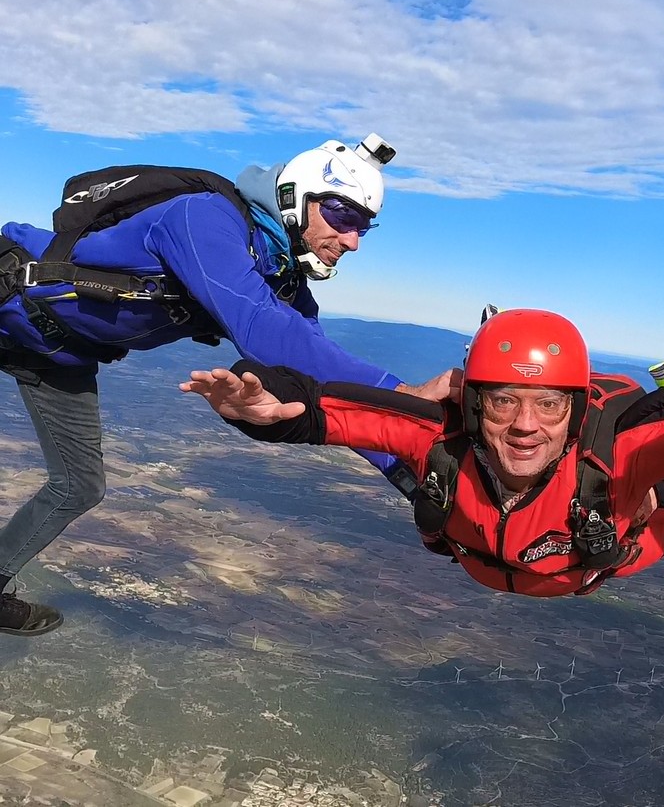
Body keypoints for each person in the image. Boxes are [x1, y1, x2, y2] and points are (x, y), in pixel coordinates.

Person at [0, 134, 441, 636]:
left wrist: (414, 474)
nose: (352, 240)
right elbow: (266, 330)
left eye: (363, 226)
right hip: (5, 300)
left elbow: (327, 386)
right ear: (296, 197)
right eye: (342, 216)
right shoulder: (203, 218)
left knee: (80, 486)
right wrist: (403, 394)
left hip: (57, 356)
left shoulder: (283, 281)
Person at [182, 309, 664, 597]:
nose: (523, 427)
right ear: (474, 403)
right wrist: (272, 410)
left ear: (574, 412)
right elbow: (335, 408)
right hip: (487, 550)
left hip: (619, 544)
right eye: (503, 402)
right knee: (421, 470)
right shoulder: (440, 437)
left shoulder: (612, 457)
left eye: (548, 406)